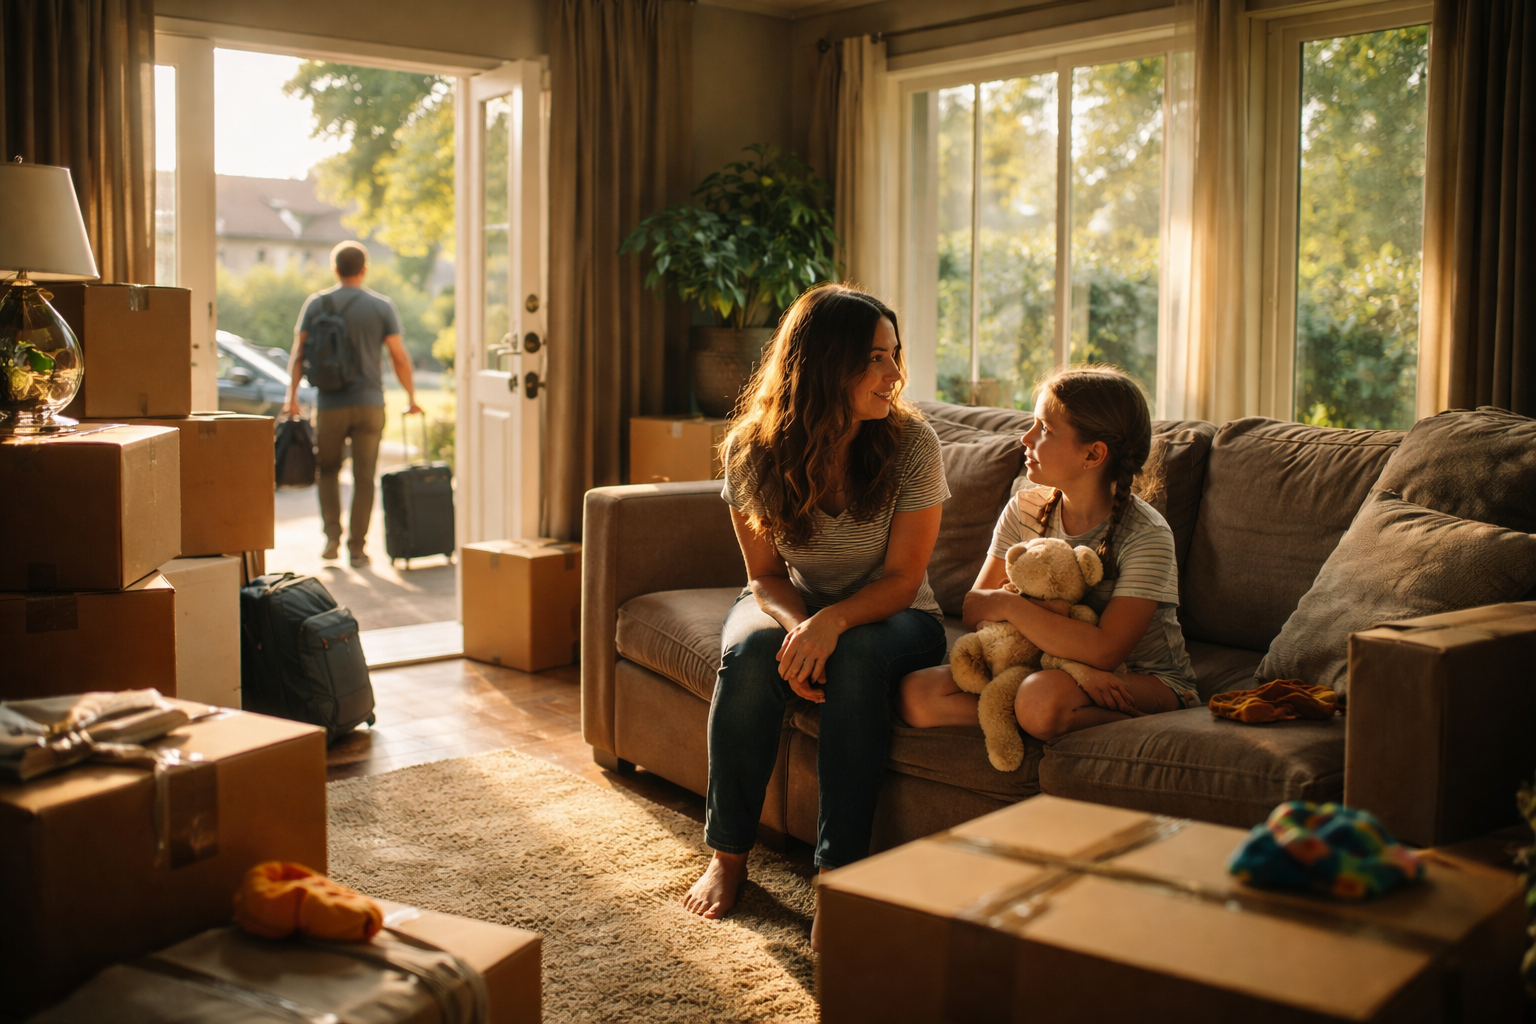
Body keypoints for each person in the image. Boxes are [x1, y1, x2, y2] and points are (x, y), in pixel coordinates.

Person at [681, 284, 949, 950]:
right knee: (748, 658)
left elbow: (902, 579)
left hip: (898, 617)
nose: (895, 375)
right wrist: (805, 627)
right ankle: (727, 854)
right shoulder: (752, 448)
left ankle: (838, 876)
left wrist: (831, 628)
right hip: (792, 602)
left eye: (895, 355)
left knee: (856, 659)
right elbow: (766, 576)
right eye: (875, 359)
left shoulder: (912, 444)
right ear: (825, 364)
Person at [898, 364, 1197, 742]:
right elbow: (974, 607)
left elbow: (1105, 651)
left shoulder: (1147, 535)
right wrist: (1039, 628)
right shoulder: (1024, 508)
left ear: (1093, 454)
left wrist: (1008, 606)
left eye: (1045, 430)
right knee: (916, 694)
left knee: (1039, 698)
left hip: (1141, 677)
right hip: (1037, 666)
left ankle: (1065, 718)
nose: (1026, 437)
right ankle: (1035, 719)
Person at [283, 240, 420, 567]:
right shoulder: (382, 306)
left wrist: (292, 400)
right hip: (370, 403)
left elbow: (299, 354)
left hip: (330, 404)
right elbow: (399, 357)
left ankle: (332, 537)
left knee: (327, 470)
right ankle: (357, 548)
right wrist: (412, 398)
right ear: (364, 269)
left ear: (335, 269)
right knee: (364, 476)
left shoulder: (316, 304)